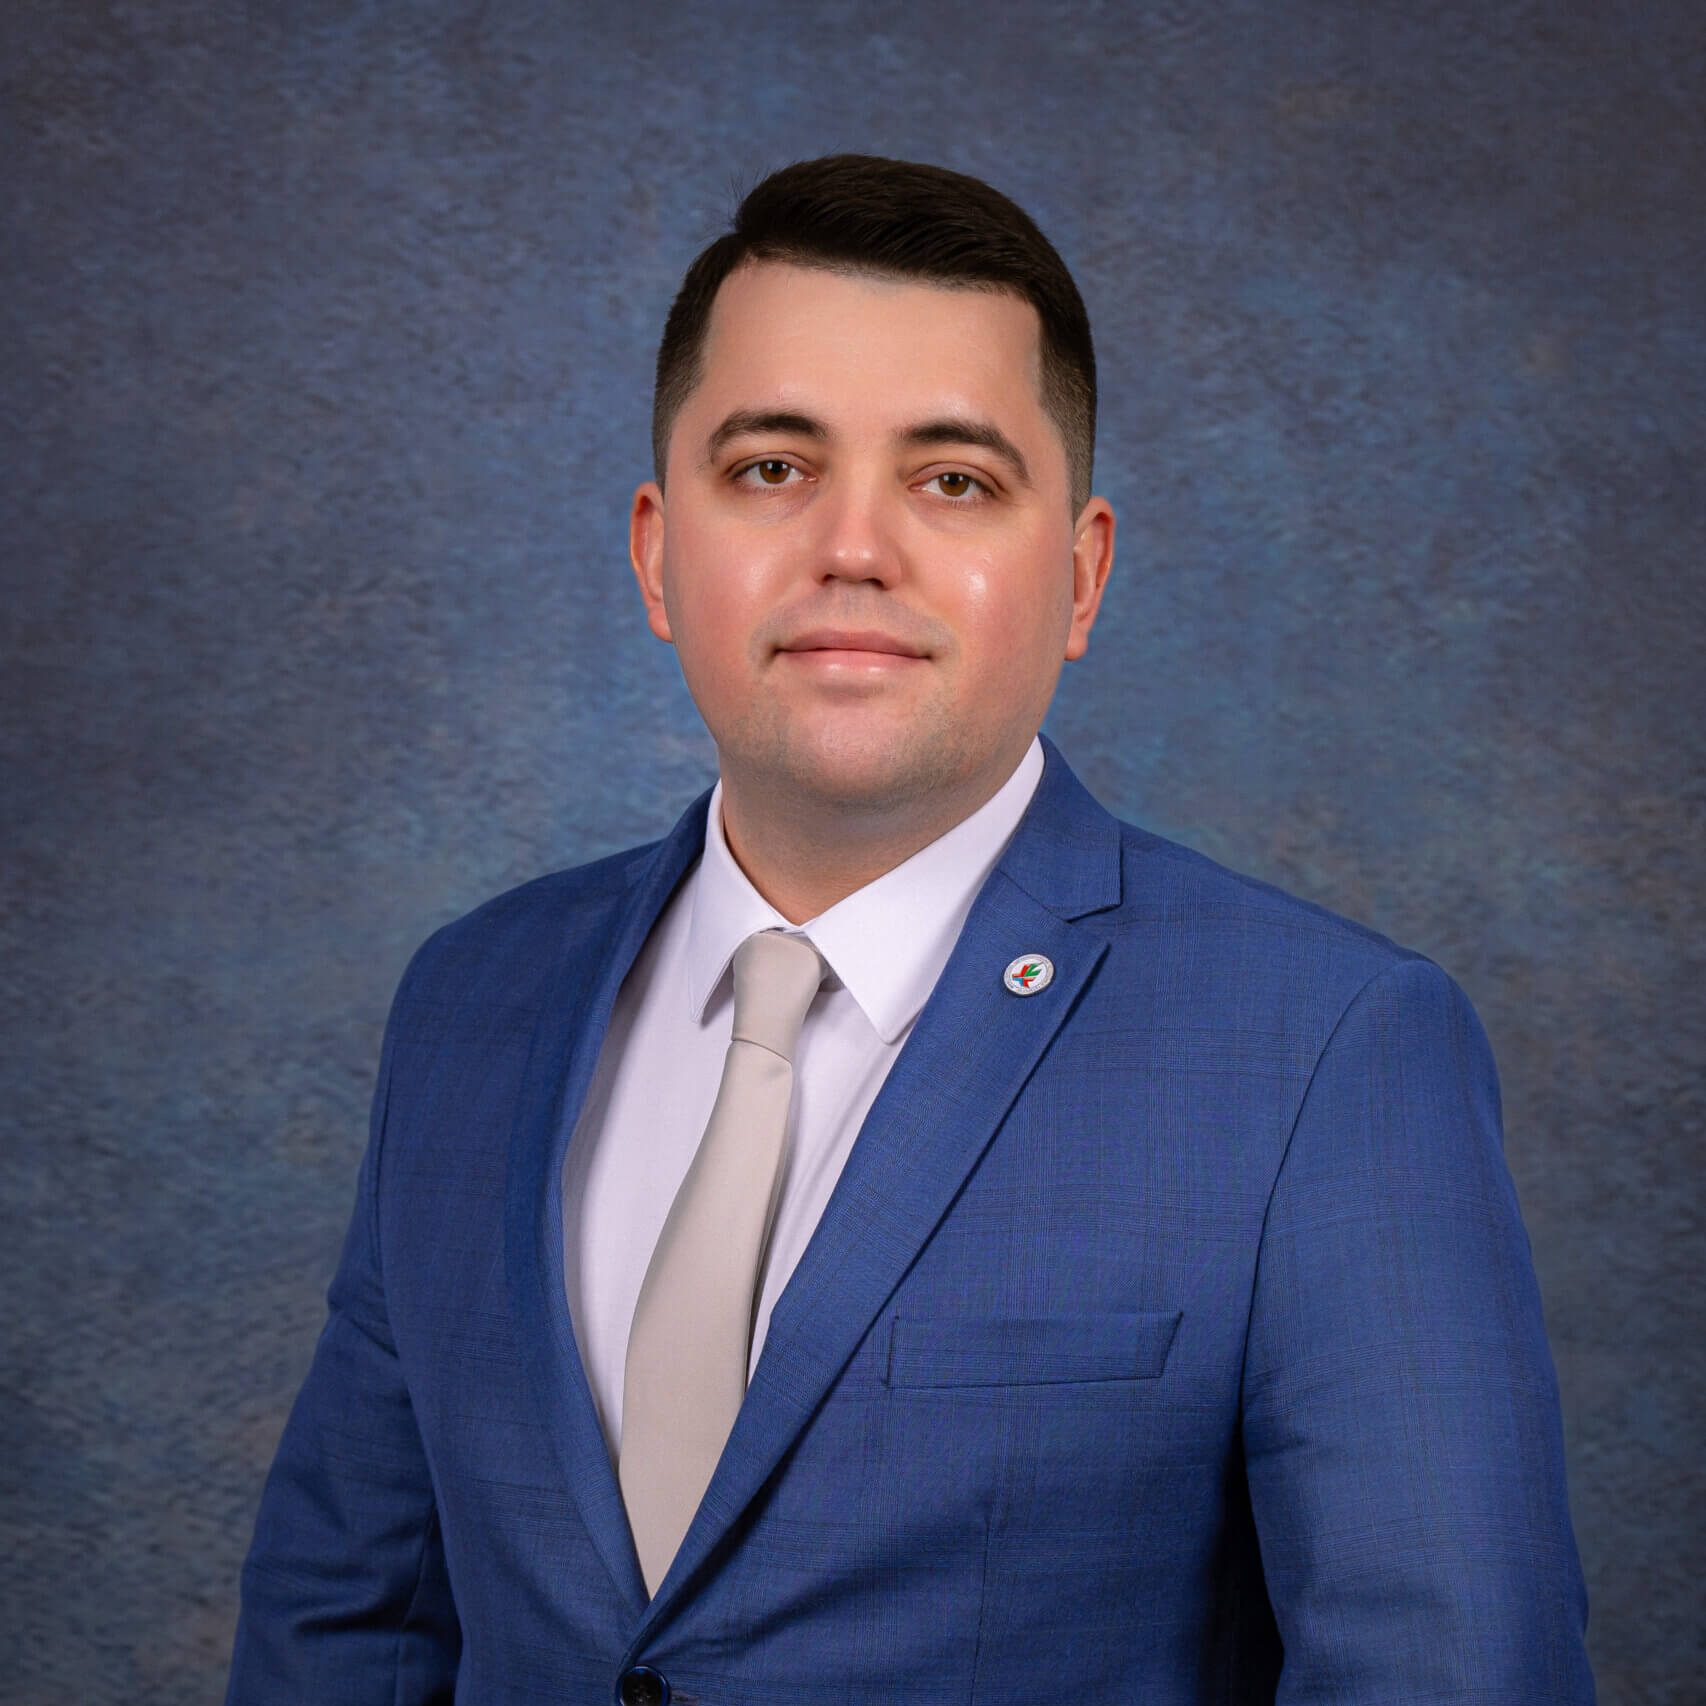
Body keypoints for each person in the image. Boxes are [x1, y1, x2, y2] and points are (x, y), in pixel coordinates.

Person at [225, 153, 1596, 1704]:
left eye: (952, 480)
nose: (852, 547)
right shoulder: (471, 998)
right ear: (657, 551)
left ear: (1077, 576)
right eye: (770, 467)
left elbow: (1447, 1670)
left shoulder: (1327, 1049)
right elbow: (346, 1625)